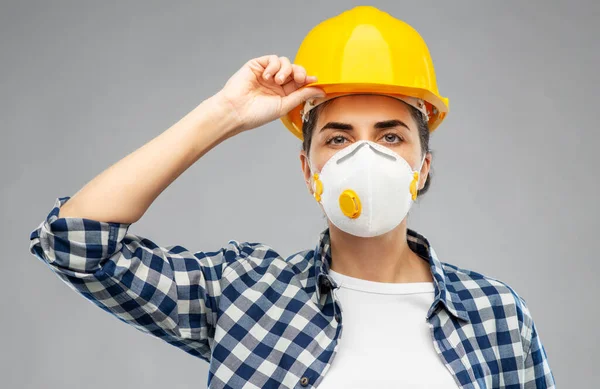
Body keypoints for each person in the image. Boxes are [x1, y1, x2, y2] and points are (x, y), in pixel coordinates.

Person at [28, 5, 555, 389]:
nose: (364, 157)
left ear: (423, 167)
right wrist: (226, 114)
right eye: (338, 137)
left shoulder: (496, 314)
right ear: (309, 170)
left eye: (391, 136)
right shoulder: (244, 294)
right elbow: (75, 243)